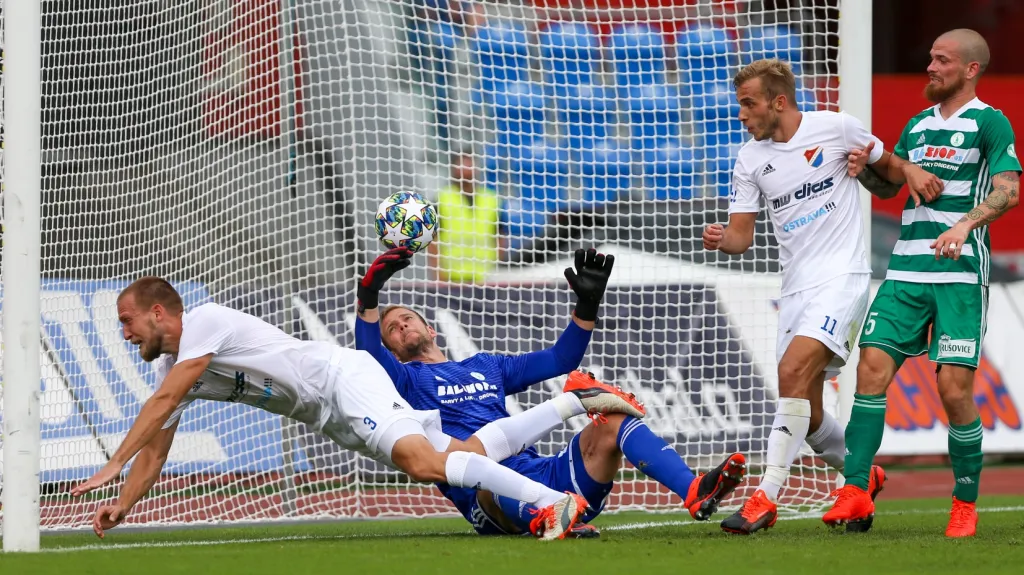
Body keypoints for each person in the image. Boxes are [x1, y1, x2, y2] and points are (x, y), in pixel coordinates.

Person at [69, 276, 647, 540]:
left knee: (423, 464)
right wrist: (124, 502)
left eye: (127, 320)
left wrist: (113, 461)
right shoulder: (177, 369)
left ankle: (549, 502)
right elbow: (158, 445)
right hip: (332, 415)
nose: (124, 332)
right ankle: (571, 402)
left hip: (342, 379)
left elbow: (163, 401)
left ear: (160, 313)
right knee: (458, 453)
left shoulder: (204, 322)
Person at [354, 246, 748, 537]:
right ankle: (547, 517)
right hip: (488, 498)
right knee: (488, 481)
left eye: (407, 319)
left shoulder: (487, 366)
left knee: (612, 419)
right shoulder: (404, 381)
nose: (401, 327)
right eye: (392, 330)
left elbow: (561, 358)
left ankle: (693, 491)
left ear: (430, 329)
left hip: (546, 473)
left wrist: (587, 306)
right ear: (392, 350)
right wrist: (369, 296)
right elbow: (368, 353)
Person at [823, 29, 1020, 538]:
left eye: (942, 60)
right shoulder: (918, 124)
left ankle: (964, 502)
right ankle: (854, 489)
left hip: (960, 276)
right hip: (904, 272)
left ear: (970, 70)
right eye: (930, 57)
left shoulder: (990, 122)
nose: (930, 67)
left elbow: (1009, 190)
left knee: (953, 391)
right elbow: (890, 186)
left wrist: (964, 225)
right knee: (870, 369)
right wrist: (865, 170)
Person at [702, 58, 904, 534]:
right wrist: (721, 238)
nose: (741, 114)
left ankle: (765, 496)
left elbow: (892, 173)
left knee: (792, 372)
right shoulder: (750, 159)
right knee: (808, 412)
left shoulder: (836, 128)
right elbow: (741, 237)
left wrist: (881, 170)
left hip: (843, 277)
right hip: (794, 288)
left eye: (748, 104)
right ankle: (861, 475)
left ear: (779, 101)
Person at [428, 152, 505, 283]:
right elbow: (433, 241)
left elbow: (500, 236)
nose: (466, 169)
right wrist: (438, 275)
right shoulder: (442, 199)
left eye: (469, 164)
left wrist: (496, 266)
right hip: (452, 277)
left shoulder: (492, 199)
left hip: (484, 277)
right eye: (462, 164)